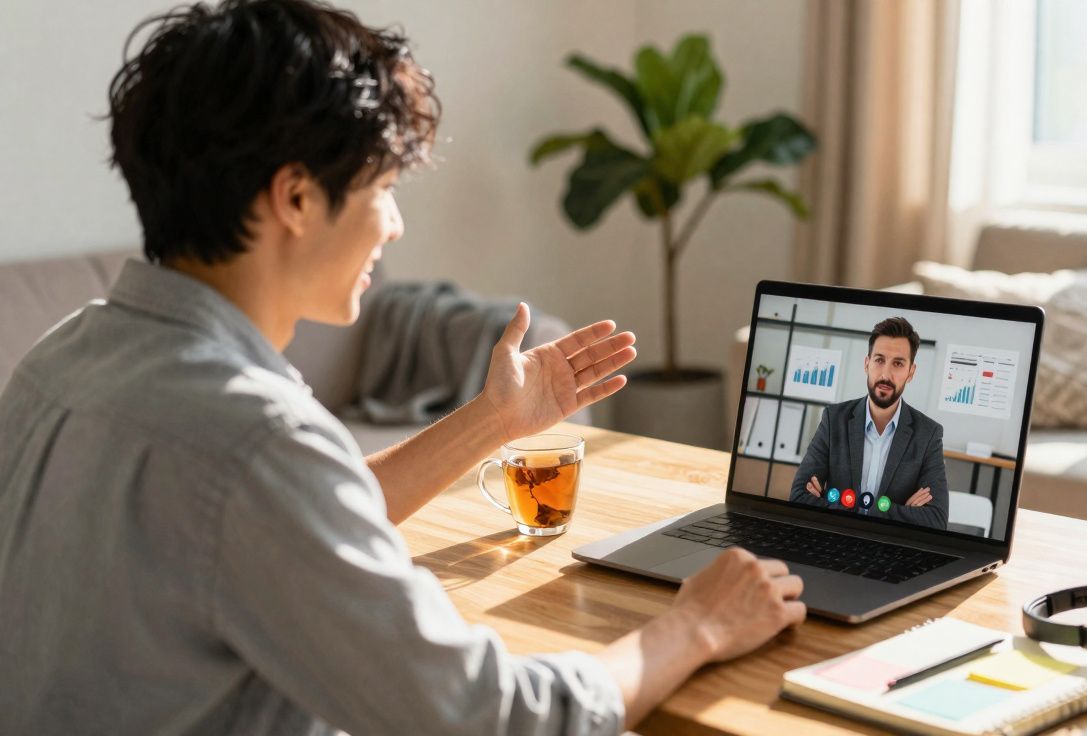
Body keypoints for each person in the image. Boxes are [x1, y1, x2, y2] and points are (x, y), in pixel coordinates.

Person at [0, 2, 805, 733]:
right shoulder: (252, 441)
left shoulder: (63, 359)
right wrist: (694, 626)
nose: (394, 224)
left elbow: (289, 517)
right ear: (296, 197)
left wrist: (496, 419)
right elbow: (491, 721)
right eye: (384, 187)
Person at [788, 317, 949, 529]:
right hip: (835, 539)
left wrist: (833, 502)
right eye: (879, 360)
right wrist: (901, 510)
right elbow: (798, 496)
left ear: (911, 372)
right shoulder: (833, 419)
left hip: (888, 549)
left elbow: (936, 520)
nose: (885, 374)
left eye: (898, 364)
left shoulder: (928, 434)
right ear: (867, 364)